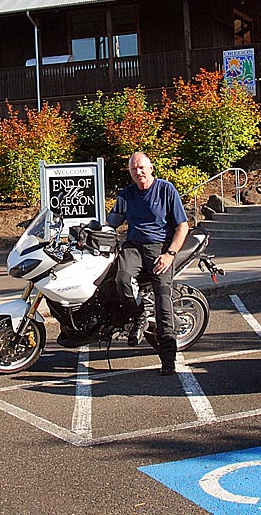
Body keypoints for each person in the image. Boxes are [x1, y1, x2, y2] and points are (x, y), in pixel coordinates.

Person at [106, 151, 190, 376]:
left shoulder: (165, 189)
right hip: (133, 246)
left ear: (151, 168)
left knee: (163, 300)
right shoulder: (127, 194)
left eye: (141, 167)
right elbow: (112, 221)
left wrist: (170, 254)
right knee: (121, 279)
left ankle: (168, 358)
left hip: (160, 248)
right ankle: (139, 313)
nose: (138, 171)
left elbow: (183, 225)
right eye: (134, 169)